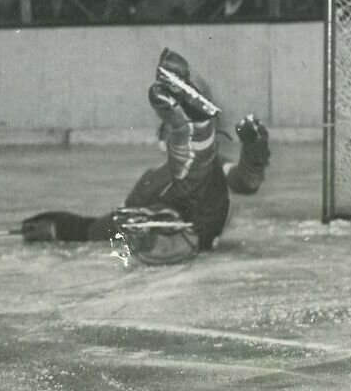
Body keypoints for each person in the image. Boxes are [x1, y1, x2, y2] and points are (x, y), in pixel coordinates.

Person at [20, 48, 270, 264]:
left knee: (197, 173)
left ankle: (197, 128)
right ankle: (197, 129)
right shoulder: (149, 183)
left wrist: (252, 157)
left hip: (200, 221)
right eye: (172, 131)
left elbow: (244, 181)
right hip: (173, 234)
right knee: (157, 204)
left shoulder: (215, 168)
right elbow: (98, 228)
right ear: (162, 139)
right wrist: (54, 226)